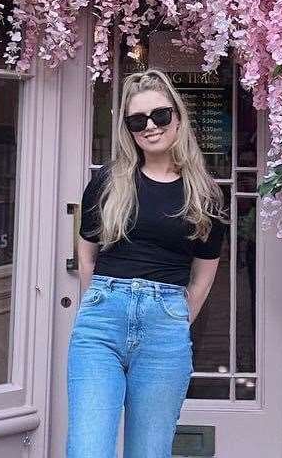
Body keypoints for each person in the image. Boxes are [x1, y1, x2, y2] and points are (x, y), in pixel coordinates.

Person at [67, 68, 228, 458]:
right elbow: (87, 251)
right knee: (88, 449)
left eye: (160, 115)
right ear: (128, 128)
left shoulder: (204, 193)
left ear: (177, 117)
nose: (151, 127)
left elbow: (204, 276)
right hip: (101, 325)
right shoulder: (108, 181)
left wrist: (174, 318)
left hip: (165, 326)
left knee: (150, 452)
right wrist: (97, 301)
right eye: (137, 120)